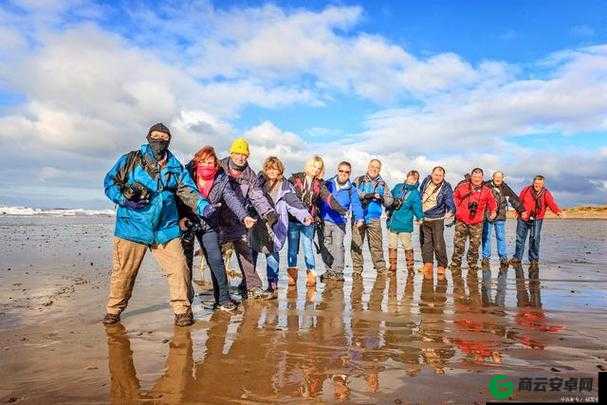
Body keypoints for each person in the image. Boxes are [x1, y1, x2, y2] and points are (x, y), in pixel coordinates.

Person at [102, 123, 213, 327]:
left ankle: (182, 311)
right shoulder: (130, 160)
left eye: (163, 137)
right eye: (155, 136)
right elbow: (110, 183)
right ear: (148, 137)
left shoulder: (174, 164)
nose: (159, 141)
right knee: (124, 273)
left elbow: (186, 189)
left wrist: (203, 205)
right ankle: (113, 310)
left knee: (179, 268)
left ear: (169, 140)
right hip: (131, 227)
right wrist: (124, 199)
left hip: (166, 228)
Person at [178, 146, 257, 312]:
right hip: (187, 223)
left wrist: (244, 216)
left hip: (209, 224)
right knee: (185, 264)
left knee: (216, 260)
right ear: (197, 161)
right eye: (204, 162)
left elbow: (231, 198)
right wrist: (180, 217)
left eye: (211, 162)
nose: (208, 165)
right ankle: (185, 302)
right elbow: (178, 195)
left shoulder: (221, 178)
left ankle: (222, 299)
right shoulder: (187, 174)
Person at [218, 138, 278, 300]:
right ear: (231, 153)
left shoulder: (249, 174)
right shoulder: (219, 167)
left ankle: (253, 288)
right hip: (217, 219)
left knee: (245, 252)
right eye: (237, 153)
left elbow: (257, 196)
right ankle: (221, 292)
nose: (240, 157)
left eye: (244, 154)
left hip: (239, 219)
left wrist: (268, 212)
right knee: (216, 256)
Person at [252, 157, 313, 295]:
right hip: (257, 223)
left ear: (280, 170)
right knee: (252, 253)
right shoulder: (258, 182)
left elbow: (294, 203)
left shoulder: (285, 186)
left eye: (275, 168)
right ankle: (249, 284)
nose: (272, 171)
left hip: (275, 224)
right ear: (265, 169)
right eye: (269, 168)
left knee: (272, 254)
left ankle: (272, 285)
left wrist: (305, 215)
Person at [287, 155, 347, 287]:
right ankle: (292, 277)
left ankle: (311, 276)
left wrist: (343, 210)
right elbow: (286, 196)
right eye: (314, 166)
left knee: (308, 248)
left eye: (318, 168)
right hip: (293, 220)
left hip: (310, 221)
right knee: (292, 249)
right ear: (309, 165)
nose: (315, 170)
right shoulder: (294, 179)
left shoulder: (319, 184)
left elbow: (329, 199)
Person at [318, 161, 364, 282]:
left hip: (340, 222)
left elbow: (356, 204)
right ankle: (328, 270)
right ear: (337, 171)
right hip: (325, 220)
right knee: (326, 245)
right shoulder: (327, 184)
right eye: (341, 171)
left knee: (338, 246)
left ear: (350, 173)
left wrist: (360, 218)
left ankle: (338, 271)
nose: (343, 173)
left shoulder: (351, 189)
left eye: (347, 172)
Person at [351, 159, 394, 276]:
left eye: (377, 167)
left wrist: (382, 198)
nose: (374, 169)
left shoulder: (383, 184)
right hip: (358, 217)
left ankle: (381, 269)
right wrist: (368, 195)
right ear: (368, 166)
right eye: (372, 166)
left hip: (374, 218)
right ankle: (357, 270)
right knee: (356, 244)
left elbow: (390, 201)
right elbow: (354, 193)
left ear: (380, 169)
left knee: (376, 245)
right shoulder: (359, 180)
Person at [511, 175, 563, 267]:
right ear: (533, 183)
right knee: (520, 238)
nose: (537, 185)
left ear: (543, 184)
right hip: (523, 217)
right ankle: (517, 258)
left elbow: (551, 203)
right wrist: (517, 211)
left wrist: (558, 212)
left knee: (534, 238)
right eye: (536, 183)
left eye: (539, 184)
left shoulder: (546, 193)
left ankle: (534, 259)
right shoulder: (526, 190)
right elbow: (519, 200)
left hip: (537, 218)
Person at [451, 168, 497, 270]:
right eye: (475, 177)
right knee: (459, 244)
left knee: (475, 244)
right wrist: (457, 209)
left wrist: (493, 211)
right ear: (471, 177)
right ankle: (455, 263)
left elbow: (492, 202)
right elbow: (454, 197)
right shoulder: (462, 187)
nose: (477, 179)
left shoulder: (487, 190)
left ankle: (472, 263)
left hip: (477, 222)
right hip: (461, 220)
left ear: (482, 178)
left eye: (479, 177)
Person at [481, 171, 524, 267]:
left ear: (502, 178)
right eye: (496, 177)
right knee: (486, 237)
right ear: (493, 177)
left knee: (501, 237)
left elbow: (514, 199)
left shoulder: (505, 188)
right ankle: (485, 258)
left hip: (500, 216)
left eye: (500, 177)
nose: (498, 179)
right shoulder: (486, 186)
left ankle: (503, 257)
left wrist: (522, 210)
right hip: (488, 216)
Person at [419, 166, 455, 274]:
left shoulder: (446, 187)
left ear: (443, 176)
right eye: (436, 175)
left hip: (437, 218)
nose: (437, 177)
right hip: (424, 217)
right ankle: (428, 264)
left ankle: (442, 265)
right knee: (426, 243)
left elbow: (450, 201)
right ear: (432, 174)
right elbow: (420, 193)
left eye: (440, 175)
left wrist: (450, 211)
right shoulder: (426, 180)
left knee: (439, 243)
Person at [386, 170, 424, 273]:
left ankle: (410, 267)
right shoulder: (398, 187)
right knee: (392, 245)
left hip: (405, 224)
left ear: (417, 181)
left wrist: (420, 217)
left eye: (414, 179)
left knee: (407, 245)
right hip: (393, 222)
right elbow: (389, 199)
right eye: (410, 178)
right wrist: (387, 209)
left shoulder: (415, 193)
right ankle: (392, 267)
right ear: (407, 177)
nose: (411, 181)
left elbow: (417, 207)